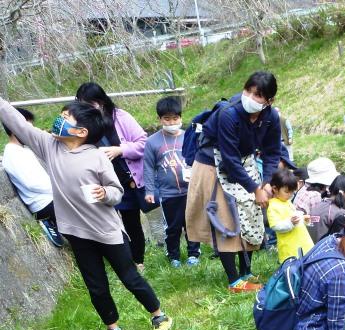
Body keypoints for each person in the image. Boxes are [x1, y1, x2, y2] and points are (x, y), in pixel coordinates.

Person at [0, 97, 173, 330]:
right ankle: (113, 329)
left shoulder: (97, 157)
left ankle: (159, 316)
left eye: (65, 117)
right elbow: (20, 125)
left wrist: (105, 194)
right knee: (96, 285)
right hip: (77, 233)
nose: (58, 120)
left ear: (81, 131)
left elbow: (116, 191)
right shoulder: (49, 147)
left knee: (129, 277)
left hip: (107, 231)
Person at [185, 71, 283, 293]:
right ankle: (234, 281)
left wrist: (266, 182)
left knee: (250, 214)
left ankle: (246, 272)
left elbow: (272, 151)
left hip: (245, 162)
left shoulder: (271, 117)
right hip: (214, 164)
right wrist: (254, 188)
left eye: (258, 95)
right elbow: (228, 158)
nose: (250, 97)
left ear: (269, 101)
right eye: (248, 91)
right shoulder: (228, 114)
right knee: (226, 219)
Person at [75, 83, 150, 269]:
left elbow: (143, 142)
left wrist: (120, 150)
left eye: (89, 104)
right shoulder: (81, 124)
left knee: (131, 221)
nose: (85, 108)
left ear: (100, 102)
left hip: (126, 181)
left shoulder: (120, 117)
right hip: (99, 183)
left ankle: (138, 260)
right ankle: (121, 261)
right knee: (109, 224)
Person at [143, 96, 199, 267]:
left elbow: (199, 160)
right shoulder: (152, 142)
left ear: (181, 118)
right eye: (167, 118)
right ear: (159, 119)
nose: (172, 122)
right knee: (172, 228)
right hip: (168, 193)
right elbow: (148, 168)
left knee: (191, 223)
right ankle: (173, 256)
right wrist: (150, 191)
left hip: (190, 190)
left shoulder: (189, 136)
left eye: (175, 118)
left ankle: (193, 254)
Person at [1, 106, 62, 247]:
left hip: (51, 198)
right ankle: (48, 222)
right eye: (27, 128)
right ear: (15, 128)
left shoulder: (23, 150)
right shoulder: (12, 153)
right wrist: (59, 189)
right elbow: (32, 183)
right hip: (44, 204)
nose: (31, 132)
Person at [266, 167, 314, 263]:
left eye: (292, 192)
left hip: (302, 243)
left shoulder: (287, 201)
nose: (290, 195)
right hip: (290, 247)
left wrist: (304, 220)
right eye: (287, 192)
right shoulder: (273, 206)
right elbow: (276, 226)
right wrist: (290, 223)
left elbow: (294, 218)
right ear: (275, 188)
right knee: (293, 270)